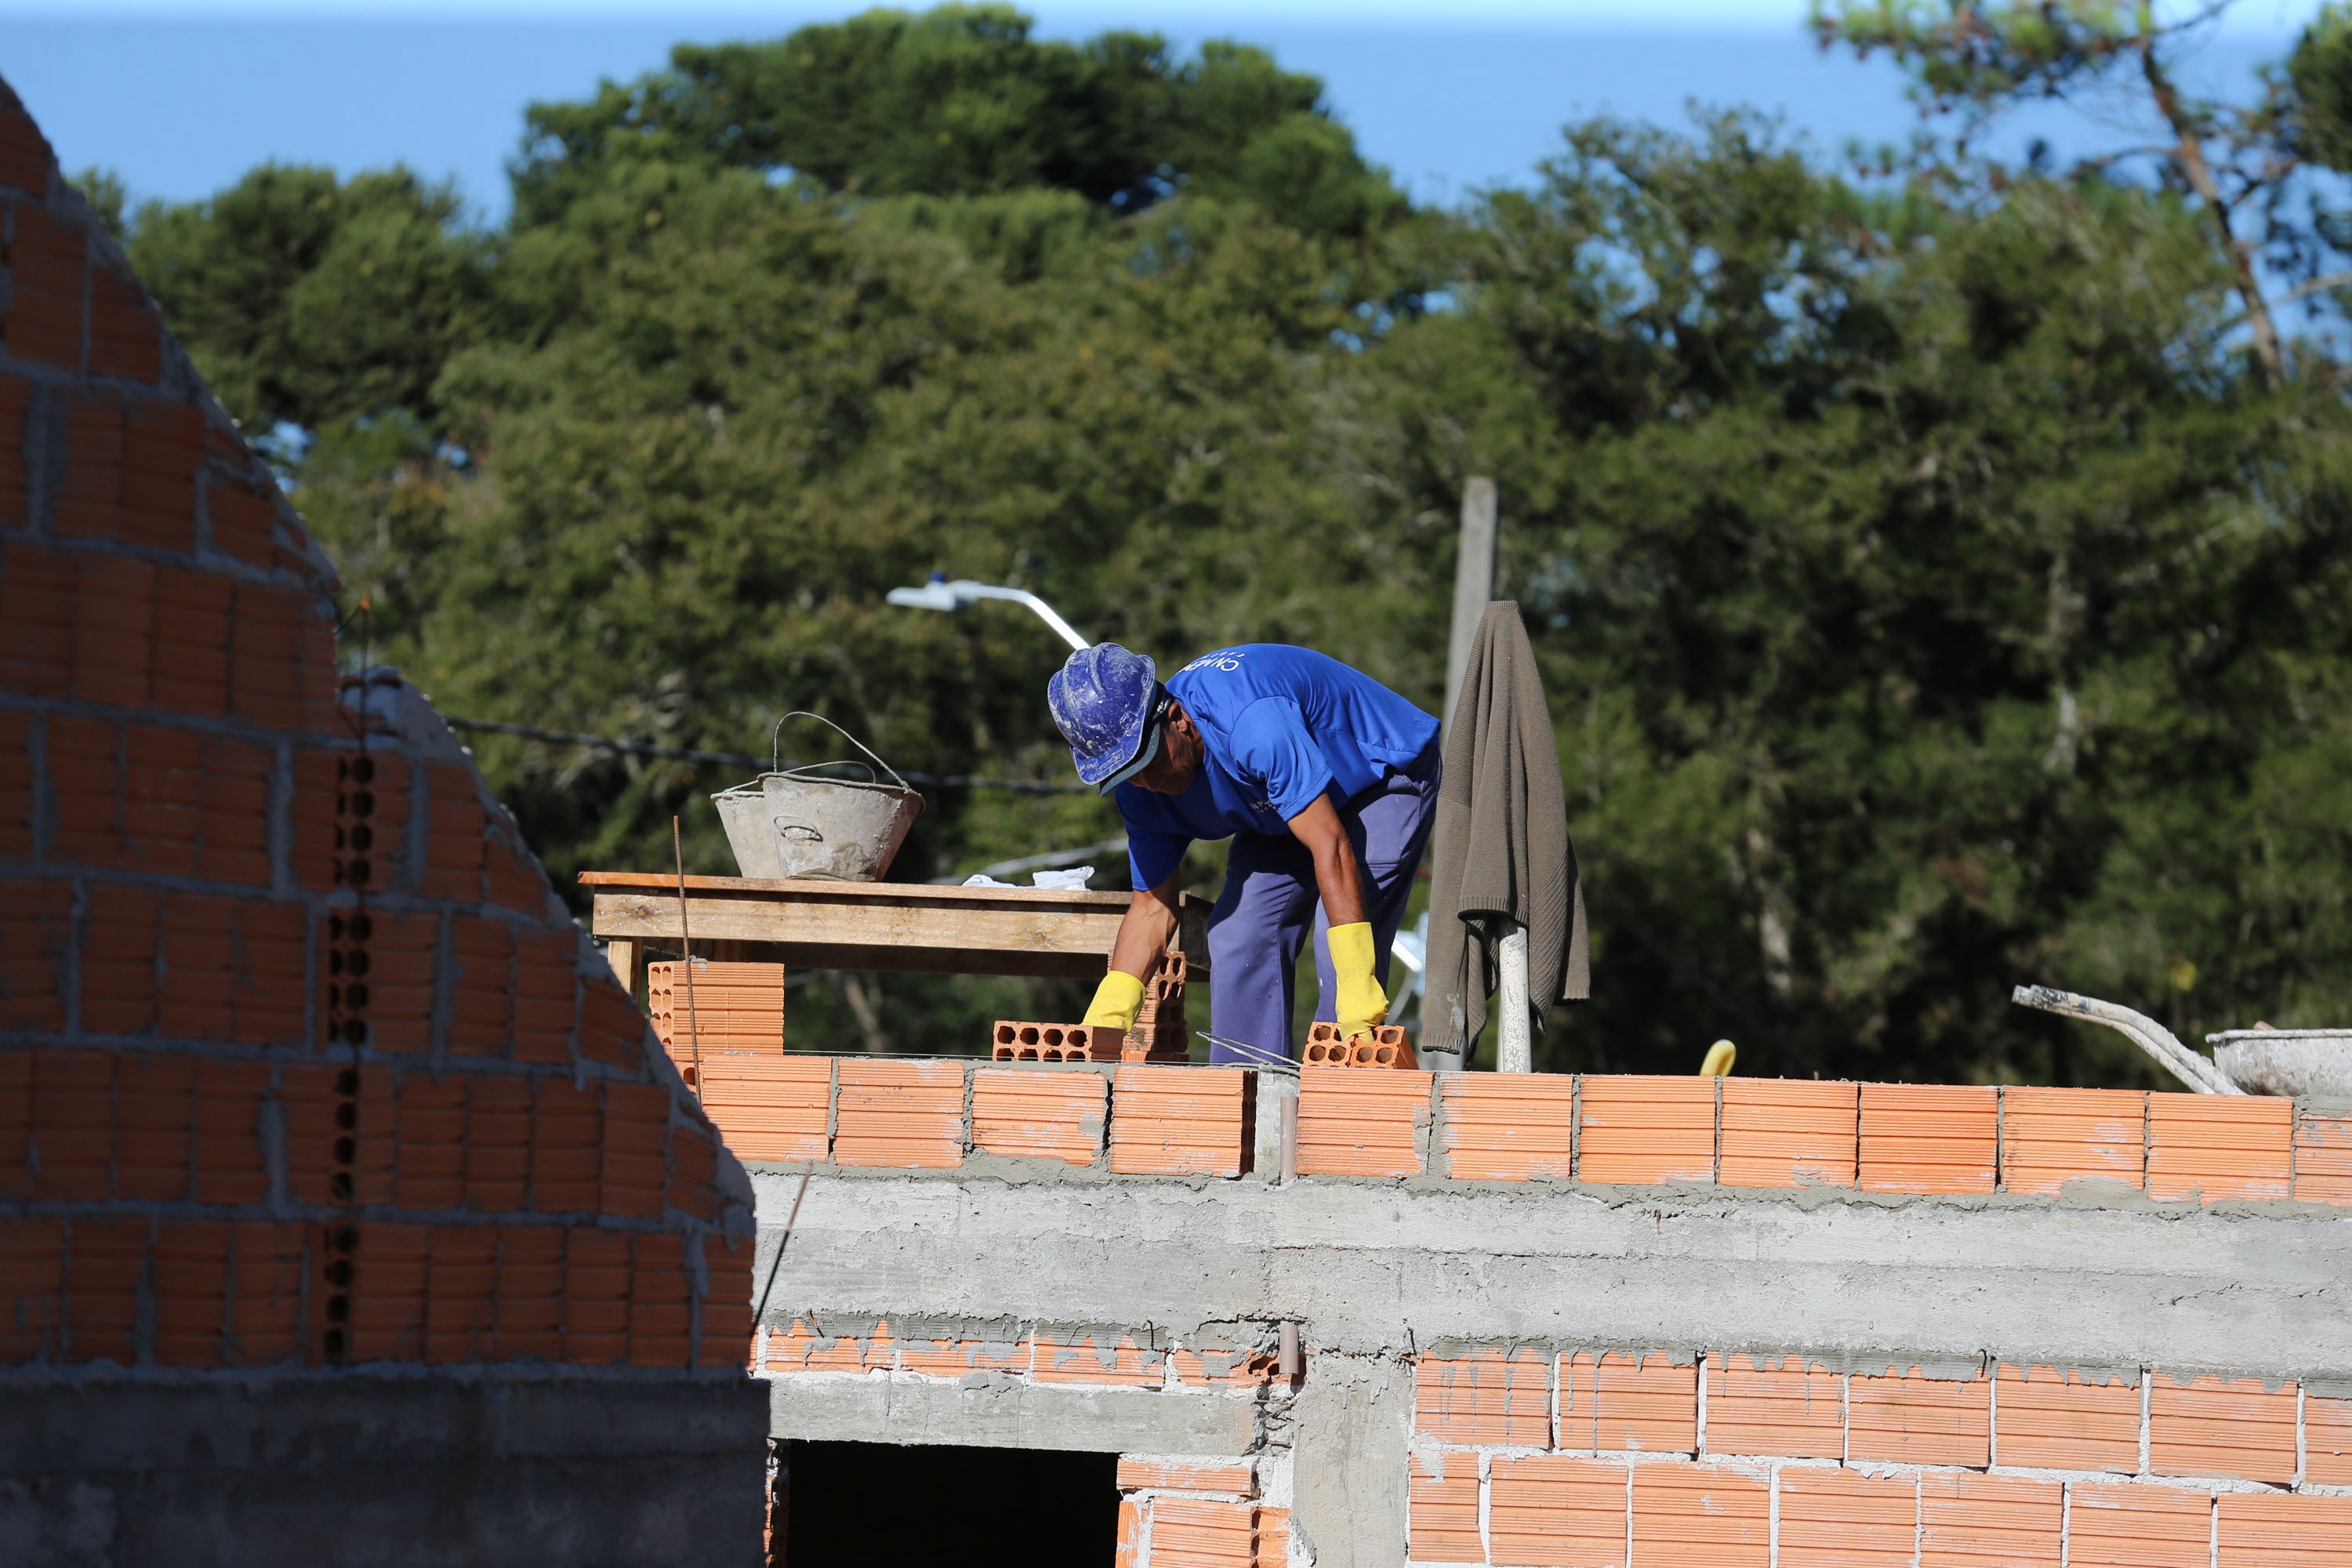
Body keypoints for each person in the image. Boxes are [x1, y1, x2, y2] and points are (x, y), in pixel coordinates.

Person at [1048, 642, 1441, 1063]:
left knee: (1340, 953)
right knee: (1238, 937)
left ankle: (1336, 1100)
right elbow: (1151, 909)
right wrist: (1107, 1019)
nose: (1147, 782)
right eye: (1128, 773)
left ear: (1177, 719)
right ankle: (1248, 1104)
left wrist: (1356, 977)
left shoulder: (1250, 724)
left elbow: (1330, 842)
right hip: (1277, 806)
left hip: (1377, 778)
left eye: (1150, 761)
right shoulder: (1141, 794)